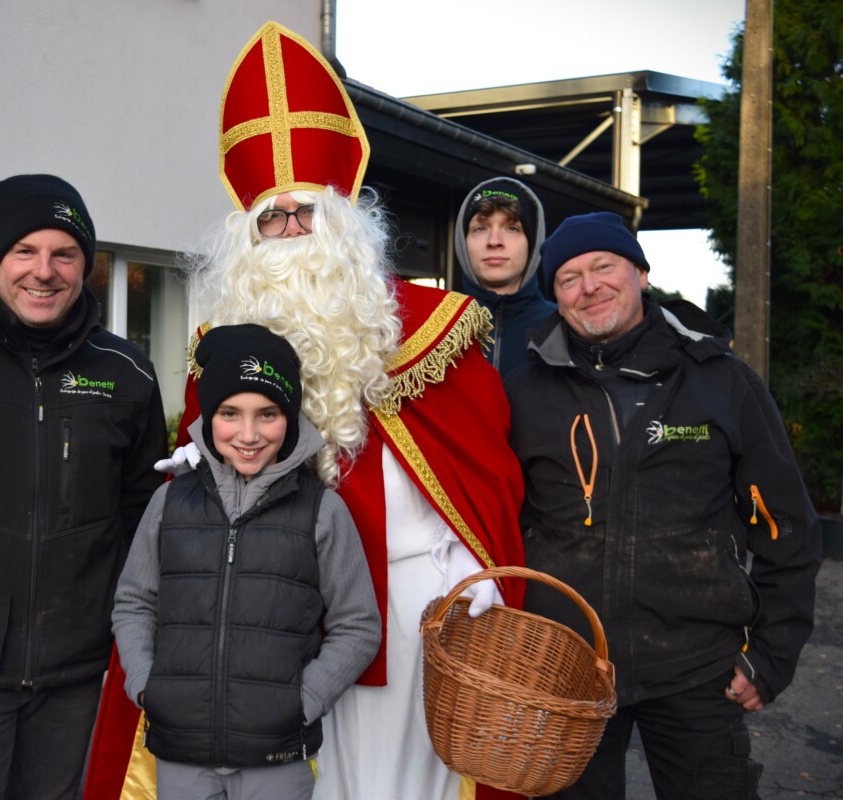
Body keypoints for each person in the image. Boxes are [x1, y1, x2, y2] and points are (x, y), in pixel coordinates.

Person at [85, 22, 527, 800]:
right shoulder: (218, 343)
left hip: (409, 610)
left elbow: (484, 474)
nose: (290, 231)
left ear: (342, 223)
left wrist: (474, 574)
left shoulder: (433, 327)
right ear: (247, 236)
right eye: (272, 218)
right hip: (259, 616)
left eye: (306, 213)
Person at [504, 211, 823, 799]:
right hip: (569, 669)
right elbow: (497, 520)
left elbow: (788, 527)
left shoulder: (721, 381)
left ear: (641, 274)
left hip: (696, 668)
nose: (589, 286)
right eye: (569, 278)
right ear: (555, 297)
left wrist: (771, 655)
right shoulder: (524, 391)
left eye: (604, 266)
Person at [0, 174, 168, 800]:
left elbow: (146, 513)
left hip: (78, 673)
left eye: (65, 253)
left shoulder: (125, 371)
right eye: (25, 251)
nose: (44, 271)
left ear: (86, 265)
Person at [112, 323, 381, 800]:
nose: (249, 434)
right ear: (209, 417)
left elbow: (358, 625)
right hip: (181, 750)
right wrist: (148, 686)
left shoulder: (322, 511)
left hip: (277, 755)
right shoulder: (169, 502)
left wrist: (303, 702)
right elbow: (134, 600)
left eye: (268, 414)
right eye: (230, 413)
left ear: (289, 417)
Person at [454, 176, 554, 377]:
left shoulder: (563, 328)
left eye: (512, 228)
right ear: (463, 242)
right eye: (480, 228)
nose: (494, 241)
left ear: (533, 243)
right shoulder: (435, 328)